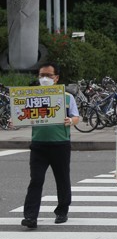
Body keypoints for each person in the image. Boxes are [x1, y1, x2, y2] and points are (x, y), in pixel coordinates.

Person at [21, 62, 80, 229]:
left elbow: (76, 117)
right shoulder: (32, 97)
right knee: (36, 180)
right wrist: (14, 121)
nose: (44, 79)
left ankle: (62, 211)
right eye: (41, 75)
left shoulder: (67, 98)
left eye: (48, 76)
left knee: (62, 179)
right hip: (39, 145)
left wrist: (70, 120)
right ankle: (30, 217)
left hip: (60, 144)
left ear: (56, 78)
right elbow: (22, 115)